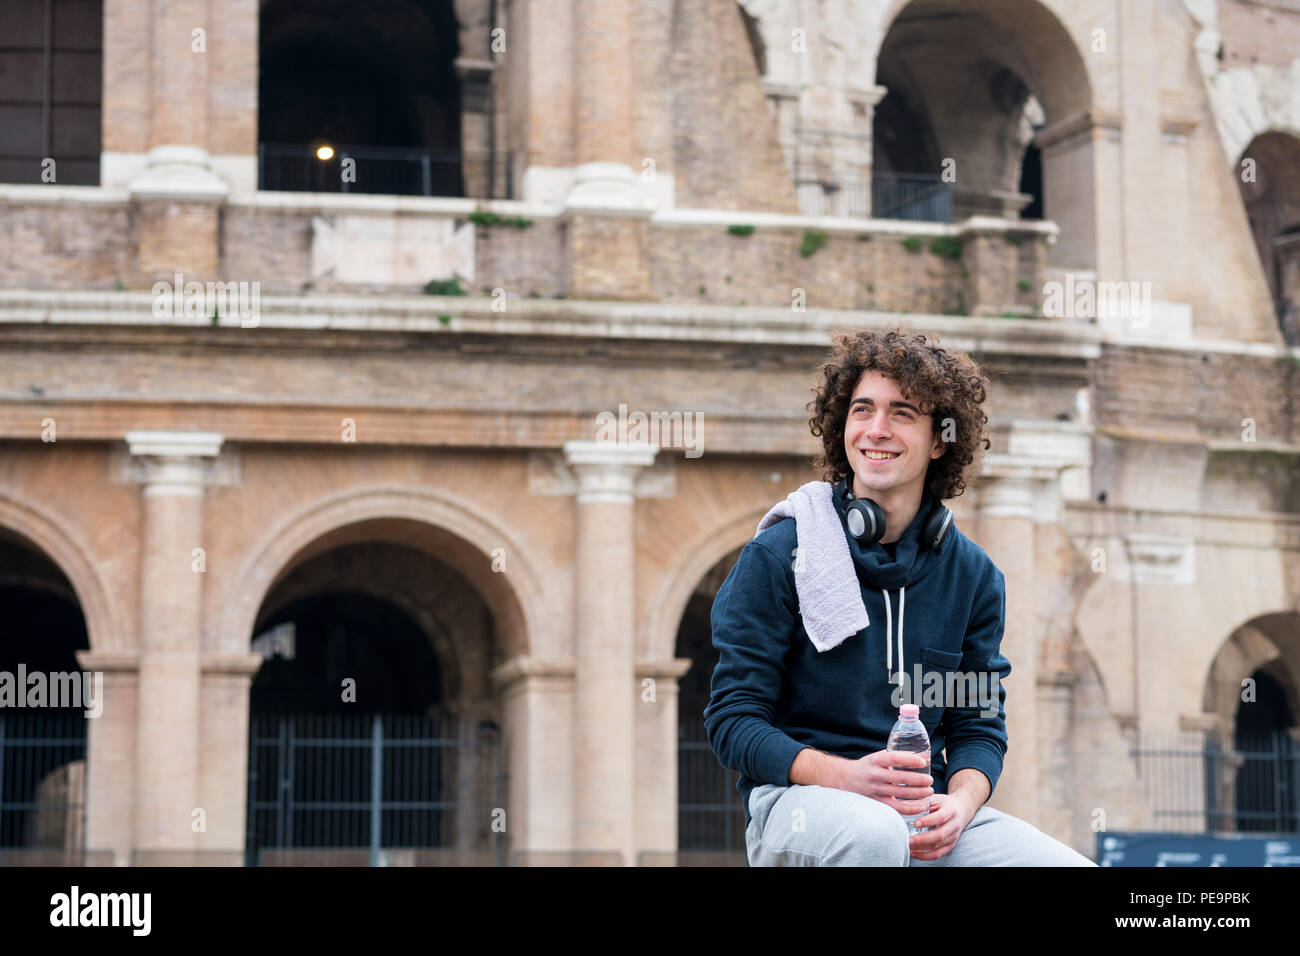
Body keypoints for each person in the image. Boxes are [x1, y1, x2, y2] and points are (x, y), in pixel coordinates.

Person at [704, 328, 1096, 866]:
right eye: (862, 411)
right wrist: (847, 776)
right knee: (874, 836)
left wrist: (959, 805)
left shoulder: (975, 576)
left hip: (922, 812)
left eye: (902, 413)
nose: (876, 430)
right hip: (797, 806)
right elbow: (733, 721)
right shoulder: (779, 555)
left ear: (940, 439)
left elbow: (977, 726)